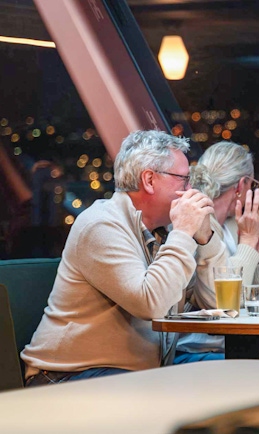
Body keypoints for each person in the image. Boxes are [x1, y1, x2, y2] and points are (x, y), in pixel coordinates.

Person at [21, 130, 228, 386]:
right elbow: (150, 304)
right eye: (184, 180)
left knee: (236, 375)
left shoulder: (168, 233)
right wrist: (185, 232)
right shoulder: (101, 225)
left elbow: (220, 304)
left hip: (142, 370)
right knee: (178, 396)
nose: (191, 189)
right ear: (150, 180)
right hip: (68, 376)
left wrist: (205, 238)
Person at [177, 141, 259, 362]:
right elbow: (223, 302)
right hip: (194, 351)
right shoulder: (196, 224)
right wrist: (247, 241)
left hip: (229, 348)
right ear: (241, 185)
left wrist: (255, 247)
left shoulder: (232, 226)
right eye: (253, 185)